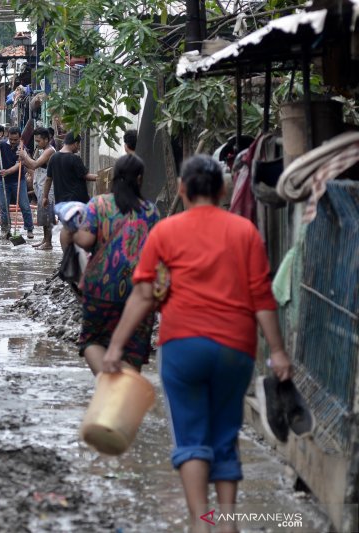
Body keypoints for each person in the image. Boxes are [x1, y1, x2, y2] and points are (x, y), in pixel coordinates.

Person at [101, 155, 293, 533]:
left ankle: (200, 523)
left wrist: (115, 347)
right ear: (223, 190)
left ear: (183, 190)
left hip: (182, 346)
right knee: (225, 432)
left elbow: (143, 295)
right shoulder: (244, 232)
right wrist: (280, 353)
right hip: (235, 348)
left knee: (190, 437)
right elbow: (262, 298)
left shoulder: (165, 233)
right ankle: (227, 522)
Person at [71, 154, 159, 375]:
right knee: (134, 347)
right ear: (139, 179)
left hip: (100, 287)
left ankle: (107, 385)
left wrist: (71, 230)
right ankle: (122, 392)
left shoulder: (99, 204)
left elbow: (86, 241)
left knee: (92, 340)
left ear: (113, 177)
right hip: (139, 290)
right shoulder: (150, 211)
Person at [44, 132, 96, 250]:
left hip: (62, 203)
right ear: (75, 143)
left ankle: (66, 255)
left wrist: (44, 197)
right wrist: (102, 177)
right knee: (80, 228)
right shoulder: (75, 159)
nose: (78, 148)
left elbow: (48, 179)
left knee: (66, 228)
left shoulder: (53, 158)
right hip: (78, 202)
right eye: (78, 145)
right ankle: (76, 254)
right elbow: (86, 176)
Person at [18, 127, 56, 250]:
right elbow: (32, 166)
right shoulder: (42, 150)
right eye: (36, 141)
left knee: (48, 215)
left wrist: (24, 155)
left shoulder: (49, 151)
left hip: (48, 188)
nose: (37, 143)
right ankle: (45, 240)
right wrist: (24, 159)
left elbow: (34, 164)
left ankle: (48, 242)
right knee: (43, 215)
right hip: (40, 185)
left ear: (46, 139)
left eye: (39, 141)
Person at [0, 127, 34, 239]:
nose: (13, 142)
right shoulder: (2, 145)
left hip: (18, 181)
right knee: (4, 206)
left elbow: (20, 164)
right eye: (11, 139)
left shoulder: (22, 148)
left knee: (24, 205)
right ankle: (5, 229)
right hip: (3, 181)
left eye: (16, 139)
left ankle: (29, 229)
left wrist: (7, 171)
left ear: (19, 138)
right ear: (8, 136)